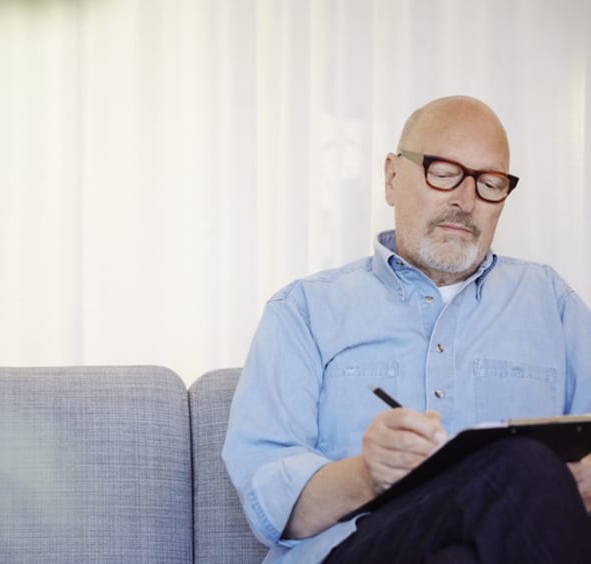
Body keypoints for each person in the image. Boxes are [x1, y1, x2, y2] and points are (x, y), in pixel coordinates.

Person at [222, 95, 591, 563]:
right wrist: (367, 475)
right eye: (443, 173)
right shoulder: (305, 311)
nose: (465, 200)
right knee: (521, 464)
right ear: (392, 177)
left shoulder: (551, 303)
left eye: (490, 183)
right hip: (360, 546)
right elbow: (270, 505)